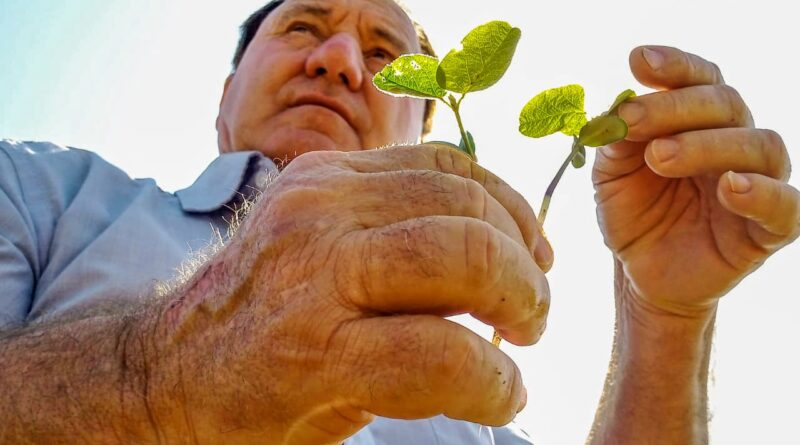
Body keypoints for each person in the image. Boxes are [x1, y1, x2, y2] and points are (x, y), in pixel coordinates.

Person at [0, 0, 797, 443]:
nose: (341, 61)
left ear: (423, 130)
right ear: (223, 95)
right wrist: (167, 373)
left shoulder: (466, 392)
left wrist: (666, 318)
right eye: (303, 26)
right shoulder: (40, 190)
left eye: (386, 56)